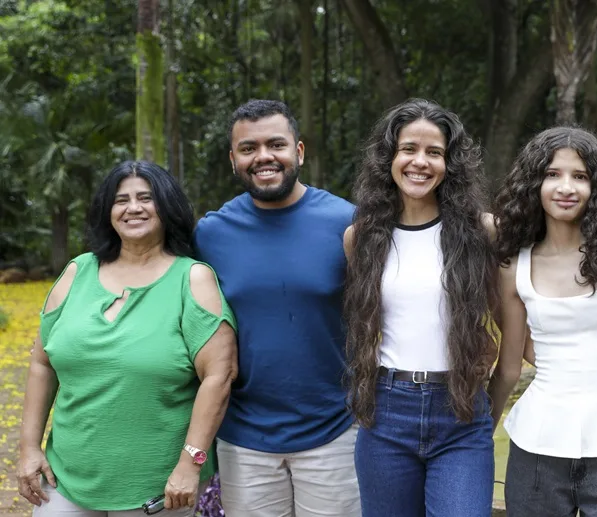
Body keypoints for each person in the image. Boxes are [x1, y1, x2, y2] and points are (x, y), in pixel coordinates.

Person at [16, 161, 238, 516]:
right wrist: (29, 447)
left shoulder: (192, 279)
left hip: (156, 486)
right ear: (108, 211)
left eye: (146, 198)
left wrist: (190, 463)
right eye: (121, 200)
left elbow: (219, 376)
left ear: (167, 207)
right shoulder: (77, 271)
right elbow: (43, 363)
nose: (133, 207)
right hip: (66, 476)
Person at [487, 126, 597, 517]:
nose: (565, 187)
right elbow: (509, 367)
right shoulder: (515, 265)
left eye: (580, 176)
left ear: (596, 186)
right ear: (534, 184)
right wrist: (477, 434)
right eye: (552, 174)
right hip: (536, 451)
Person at [192, 99, 360, 516]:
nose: (263, 156)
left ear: (298, 152)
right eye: (248, 148)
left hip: (335, 429)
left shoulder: (348, 222)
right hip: (243, 436)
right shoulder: (211, 234)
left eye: (276, 144)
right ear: (234, 160)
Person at [343, 98, 499, 517]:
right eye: (408, 149)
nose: (420, 162)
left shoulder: (480, 232)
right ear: (389, 157)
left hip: (461, 412)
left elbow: (511, 322)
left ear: (451, 164)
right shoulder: (361, 237)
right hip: (386, 413)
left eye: (435, 152)